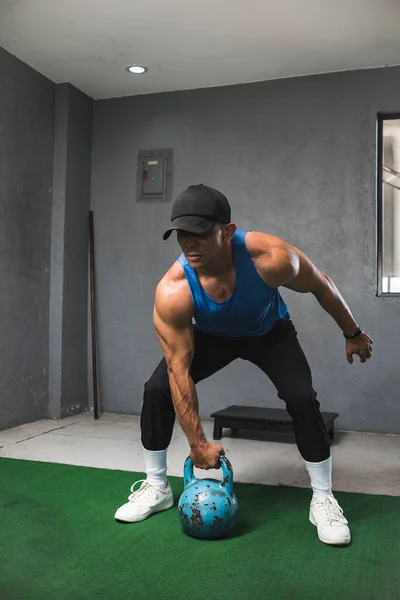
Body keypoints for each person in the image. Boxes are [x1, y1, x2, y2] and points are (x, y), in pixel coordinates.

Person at [114, 184, 373, 545]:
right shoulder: (174, 289)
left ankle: (323, 497)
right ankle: (157, 486)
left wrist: (353, 332)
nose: (189, 243)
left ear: (227, 231)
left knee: (301, 398)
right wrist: (198, 443)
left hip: (270, 332)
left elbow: (321, 284)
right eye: (182, 234)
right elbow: (179, 370)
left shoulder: (271, 257)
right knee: (157, 388)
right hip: (213, 336)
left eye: (200, 233)